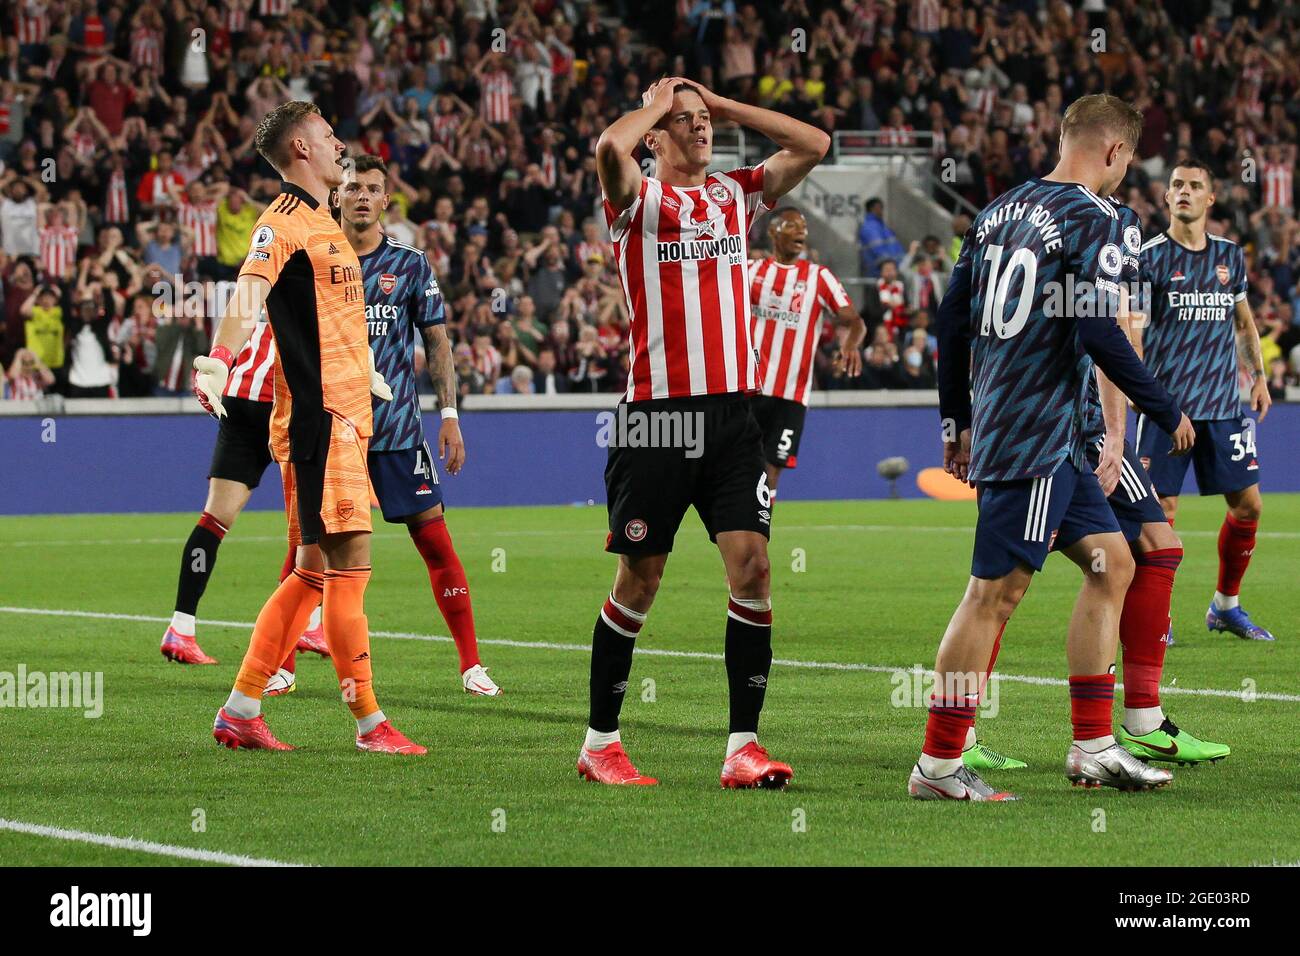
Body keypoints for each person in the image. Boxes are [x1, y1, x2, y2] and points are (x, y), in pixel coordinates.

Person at [912, 94, 1196, 801]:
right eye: (1127, 162)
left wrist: (956, 422)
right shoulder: (1099, 218)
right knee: (992, 597)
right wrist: (1164, 405)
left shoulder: (996, 212)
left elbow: (950, 323)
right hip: (1037, 432)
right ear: (1114, 152)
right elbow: (1101, 331)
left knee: (1114, 563)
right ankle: (939, 765)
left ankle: (1093, 747)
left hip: (1050, 433)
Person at [578, 76, 829, 788]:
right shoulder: (637, 199)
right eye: (683, 122)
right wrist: (661, 105)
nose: (699, 129)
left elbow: (812, 143)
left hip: (734, 417)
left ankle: (743, 747)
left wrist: (718, 104)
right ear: (654, 136)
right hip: (658, 419)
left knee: (753, 569)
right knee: (640, 580)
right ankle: (600, 743)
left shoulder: (734, 195)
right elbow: (607, 145)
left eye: (703, 121)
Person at [192, 100, 423, 754]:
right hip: (322, 421)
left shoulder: (324, 221)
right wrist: (220, 357)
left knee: (311, 572)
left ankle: (240, 708)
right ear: (300, 150)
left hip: (347, 413)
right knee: (349, 566)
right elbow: (249, 290)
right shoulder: (285, 220)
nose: (337, 142)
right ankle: (371, 723)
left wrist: (367, 369)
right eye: (326, 135)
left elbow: (331, 315)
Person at [265, 153, 500, 699]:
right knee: (309, 547)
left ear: (386, 201)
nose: (363, 197)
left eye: (374, 188)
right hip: (334, 428)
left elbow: (436, 341)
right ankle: (282, 665)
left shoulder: (411, 265)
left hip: (396, 432)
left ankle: (471, 665)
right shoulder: (314, 256)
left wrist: (449, 415)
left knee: (435, 542)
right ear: (337, 196)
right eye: (354, 188)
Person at [1133, 160, 1274, 642]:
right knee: (1159, 513)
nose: (1186, 192)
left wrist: (1257, 377)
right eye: (1177, 186)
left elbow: (1243, 323)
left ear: (1211, 199)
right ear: (1167, 198)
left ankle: (1225, 606)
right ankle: (1157, 618)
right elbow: (1130, 331)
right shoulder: (1148, 258)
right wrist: (1136, 388)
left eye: (1196, 186)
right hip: (1168, 410)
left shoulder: (1230, 256)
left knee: (1249, 506)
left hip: (1223, 406)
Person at [747, 207, 865, 493]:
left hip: (791, 395)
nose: (801, 231)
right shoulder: (749, 271)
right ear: (774, 232)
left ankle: (760, 535)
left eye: (803, 227)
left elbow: (855, 321)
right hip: (749, 388)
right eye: (792, 225)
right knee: (742, 466)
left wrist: (848, 346)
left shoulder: (818, 277)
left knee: (772, 469)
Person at [858, 197, 905, 277]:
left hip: (890, 271)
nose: (882, 210)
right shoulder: (870, 227)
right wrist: (891, 266)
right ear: (873, 208)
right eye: (880, 207)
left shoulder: (880, 226)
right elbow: (878, 249)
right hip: (880, 274)